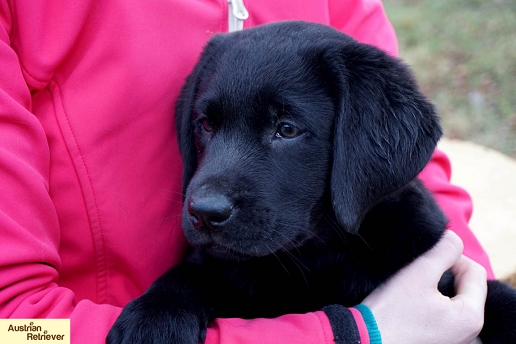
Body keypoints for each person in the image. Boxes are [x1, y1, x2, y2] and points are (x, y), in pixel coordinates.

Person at [0, 0, 493, 343]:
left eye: (284, 128)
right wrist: (354, 334)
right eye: (207, 128)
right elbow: (13, 330)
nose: (205, 193)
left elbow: (402, 154)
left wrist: (465, 295)